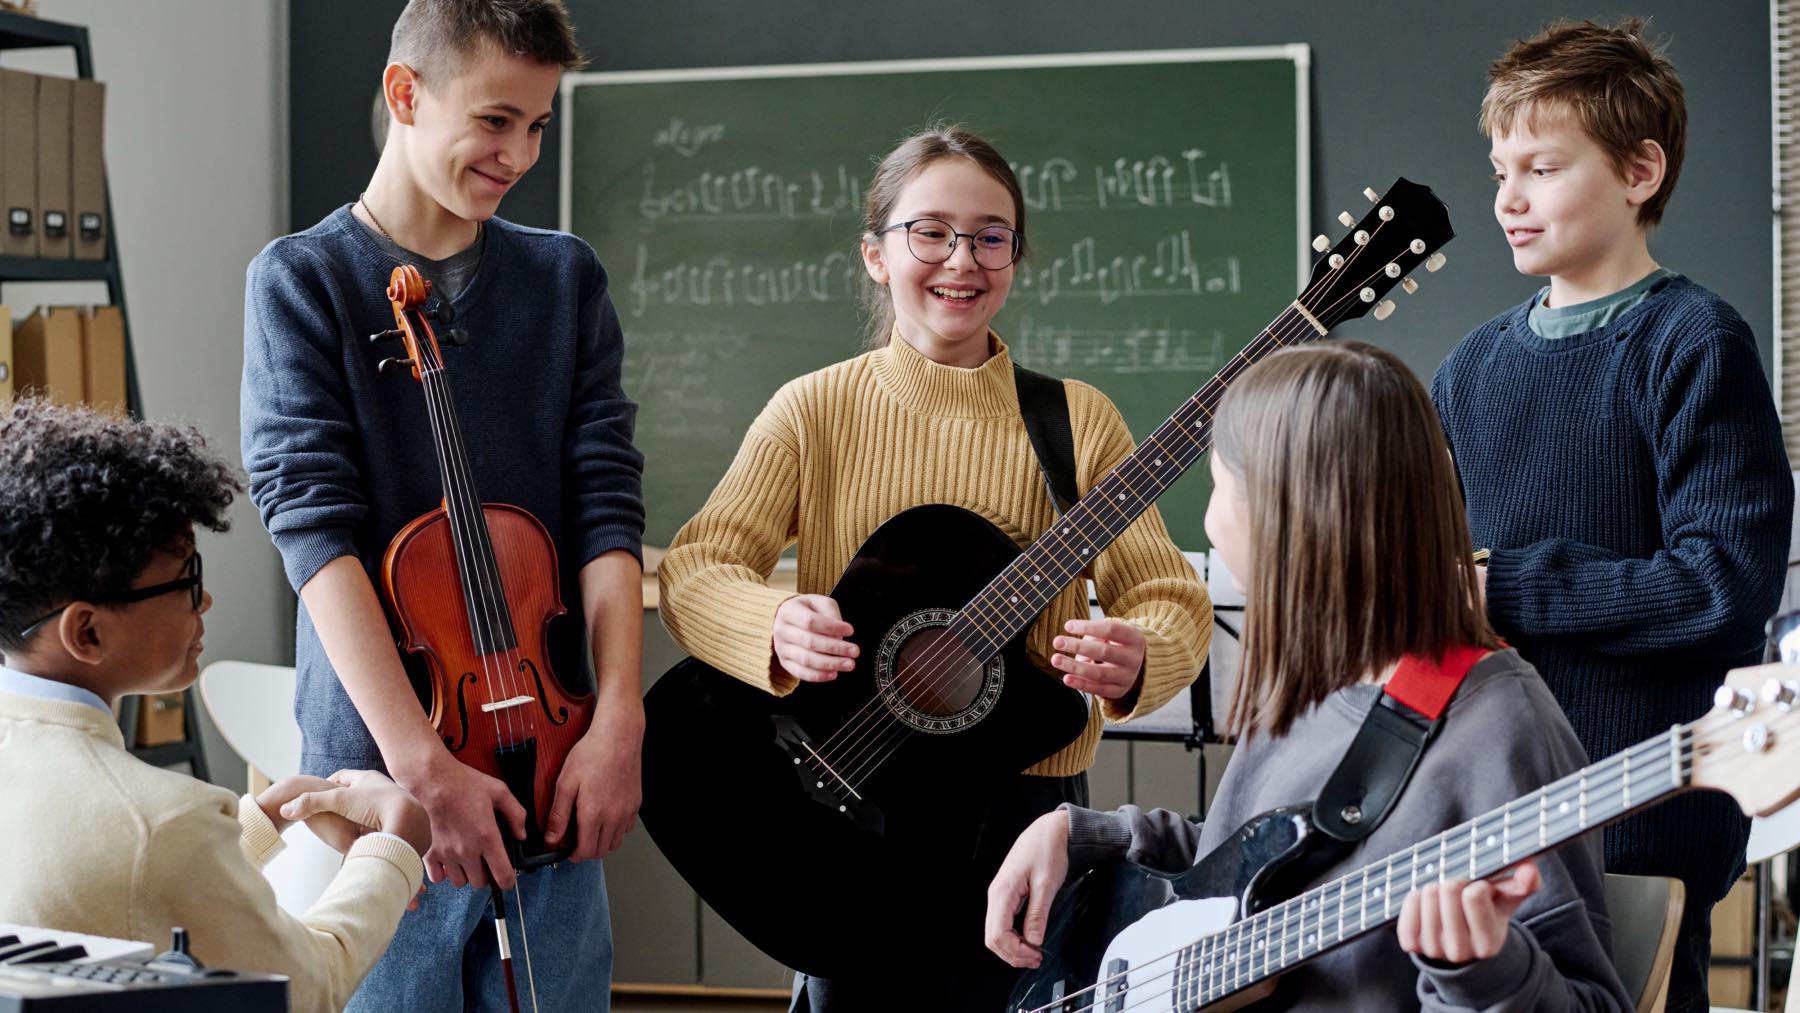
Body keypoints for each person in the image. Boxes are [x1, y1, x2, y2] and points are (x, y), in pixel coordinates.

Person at [656, 124, 1212, 1012]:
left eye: (993, 236)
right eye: (931, 232)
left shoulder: (1079, 420)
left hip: (1032, 821)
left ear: (1016, 258)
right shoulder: (814, 410)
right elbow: (699, 565)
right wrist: (769, 622)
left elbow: (1167, 593)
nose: (963, 258)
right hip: (850, 803)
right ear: (876, 254)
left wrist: (1142, 653)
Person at [986, 341, 1633, 1012]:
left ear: (1284, 511)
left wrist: (1485, 970)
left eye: (1218, 484)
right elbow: (1243, 870)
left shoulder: (1502, 728)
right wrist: (1083, 832)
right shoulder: (1314, 679)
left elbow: (1592, 1002)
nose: (1208, 518)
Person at [240, 1, 646, 1008]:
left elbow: (605, 502)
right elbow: (311, 529)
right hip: (382, 786)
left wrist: (619, 715)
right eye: (496, 120)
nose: (519, 154)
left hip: (550, 751)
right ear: (405, 94)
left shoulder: (562, 278)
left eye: (539, 126)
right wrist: (424, 767)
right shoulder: (304, 280)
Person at [1432, 19, 1792, 1010]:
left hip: (1642, 814)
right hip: (1483, 811)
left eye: (1542, 167)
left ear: (1639, 170)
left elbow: (1722, 585)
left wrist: (1508, 582)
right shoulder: (1470, 367)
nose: (1508, 197)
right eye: (1502, 167)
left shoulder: (1696, 342)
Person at [0, 397, 432, 1013]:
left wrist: (253, 823)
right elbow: (310, 987)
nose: (206, 603)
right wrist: (393, 850)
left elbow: (120, 882)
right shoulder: (163, 821)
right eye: (187, 581)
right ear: (87, 632)